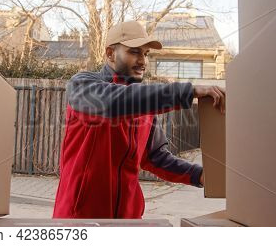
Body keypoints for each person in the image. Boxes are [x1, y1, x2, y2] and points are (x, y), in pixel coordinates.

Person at [52, 21, 225, 219]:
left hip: (128, 221)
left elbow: (156, 158)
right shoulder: (84, 85)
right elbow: (113, 102)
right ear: (110, 54)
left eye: (146, 54)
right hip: (80, 218)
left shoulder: (145, 106)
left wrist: (201, 175)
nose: (142, 61)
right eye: (134, 52)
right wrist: (188, 91)